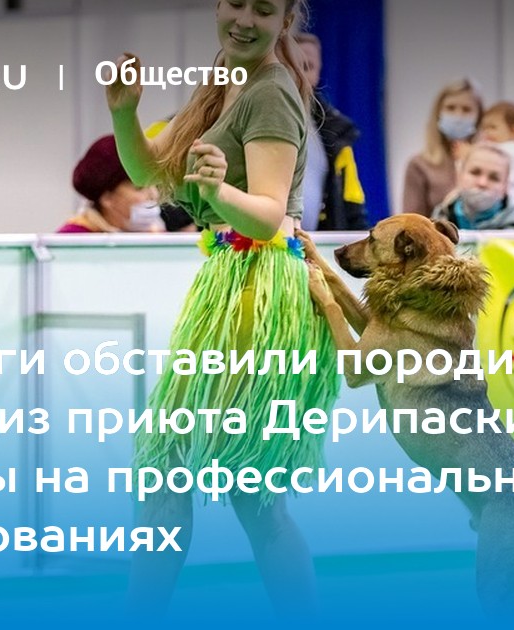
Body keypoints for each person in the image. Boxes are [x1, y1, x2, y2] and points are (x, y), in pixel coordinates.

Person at [105, 0, 336, 617]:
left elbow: (266, 216)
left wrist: (217, 190)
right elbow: (151, 172)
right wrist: (125, 115)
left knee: (229, 485)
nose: (244, 20)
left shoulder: (271, 91)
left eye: (263, 10)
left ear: (284, 20)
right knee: (189, 475)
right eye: (236, 3)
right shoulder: (225, 78)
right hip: (229, 283)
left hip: (261, 291)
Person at [292, 31, 368, 230]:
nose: (300, 74)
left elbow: (353, 205)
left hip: (318, 242)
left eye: (308, 67)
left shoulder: (338, 132)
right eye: (292, 66)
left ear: (318, 72)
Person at [401, 77, 483, 216]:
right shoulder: (419, 165)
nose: (458, 116)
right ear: (438, 113)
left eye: (466, 109)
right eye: (450, 108)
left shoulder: (495, 161)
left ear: (479, 117)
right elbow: (412, 221)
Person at [59, 135, 162, 233]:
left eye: (154, 184)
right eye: (139, 188)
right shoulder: (74, 239)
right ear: (107, 198)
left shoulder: (152, 234)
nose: (154, 194)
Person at [431, 144, 514, 229]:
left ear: (505, 188)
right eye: (475, 172)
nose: (482, 183)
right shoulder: (439, 218)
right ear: (459, 176)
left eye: (494, 178)